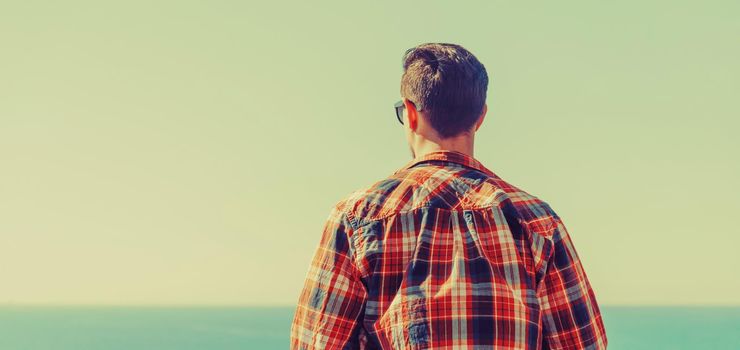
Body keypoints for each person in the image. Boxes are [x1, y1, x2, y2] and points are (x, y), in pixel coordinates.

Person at [290, 42, 608, 349]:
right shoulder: (537, 221)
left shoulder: (357, 217)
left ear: (411, 114)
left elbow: (317, 342)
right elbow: (582, 343)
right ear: (480, 118)